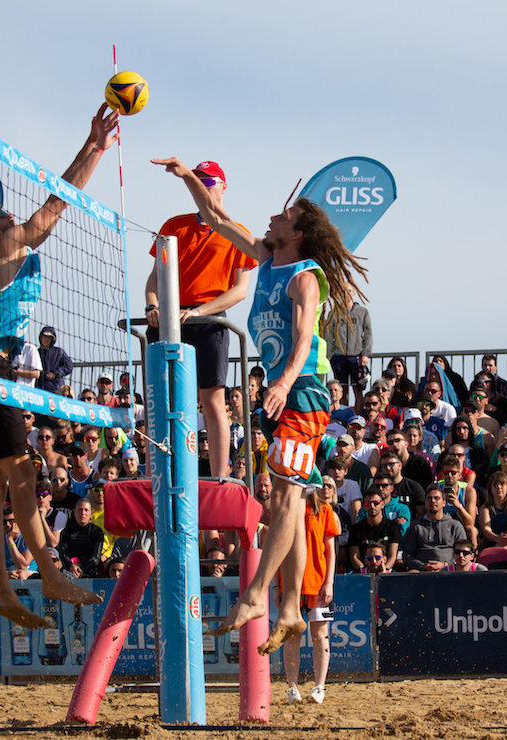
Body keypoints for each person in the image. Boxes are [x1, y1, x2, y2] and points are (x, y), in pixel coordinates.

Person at [154, 155, 367, 655]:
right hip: (286, 393)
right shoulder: (268, 258)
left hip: (305, 391)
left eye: (283, 215)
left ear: (297, 231)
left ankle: (256, 596)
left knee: (284, 495)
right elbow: (215, 218)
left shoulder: (304, 277)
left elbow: (302, 341)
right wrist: (188, 176)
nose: (273, 216)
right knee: (290, 498)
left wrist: (281, 383)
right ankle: (290, 607)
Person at [0, 106, 117, 626]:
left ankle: (4, 590)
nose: (9, 214)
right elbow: (57, 205)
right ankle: (48, 573)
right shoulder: (6, 244)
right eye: (0, 213)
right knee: (23, 475)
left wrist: (92, 146)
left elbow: (50, 208)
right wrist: (92, 148)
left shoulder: (4, 250)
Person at [145, 160, 257, 478]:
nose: (204, 185)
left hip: (209, 321)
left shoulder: (238, 233)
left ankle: (220, 476)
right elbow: (154, 280)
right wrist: (152, 307)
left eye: (209, 180)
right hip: (169, 320)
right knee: (164, 402)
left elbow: (239, 291)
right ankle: (164, 471)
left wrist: (197, 312)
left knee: (212, 401)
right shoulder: (174, 226)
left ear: (223, 186)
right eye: (199, 180)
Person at [282, 479, 339, 705]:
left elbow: (330, 551)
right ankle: (291, 688)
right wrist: (278, 586)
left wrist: (329, 582)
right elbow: (281, 549)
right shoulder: (289, 509)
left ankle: (319, 687)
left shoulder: (325, 511)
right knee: (292, 637)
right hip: (292, 585)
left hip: (317, 583)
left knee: (320, 637)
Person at [401, 488, 467, 571]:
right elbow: (407, 555)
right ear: (425, 503)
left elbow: (464, 553)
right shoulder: (416, 527)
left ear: (444, 503)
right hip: (422, 570)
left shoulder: (455, 525)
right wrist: (421, 565)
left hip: (450, 570)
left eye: (436, 498)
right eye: (429, 498)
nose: (432, 501)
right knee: (412, 574)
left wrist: (445, 564)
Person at [324, 301, 372, 408]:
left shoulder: (362, 312)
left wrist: (365, 353)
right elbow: (328, 335)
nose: (345, 294)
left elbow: (368, 334)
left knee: (357, 390)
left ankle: (358, 417)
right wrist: (328, 355)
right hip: (338, 356)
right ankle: (343, 416)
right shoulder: (333, 312)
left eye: (348, 291)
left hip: (356, 355)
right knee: (342, 391)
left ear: (353, 293)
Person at [36, 327, 73, 394]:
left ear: (52, 340)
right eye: (45, 336)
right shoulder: (36, 352)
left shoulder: (59, 352)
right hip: (40, 389)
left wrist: (55, 373)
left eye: (49, 337)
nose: (46, 339)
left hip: (56, 389)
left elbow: (69, 366)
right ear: (41, 337)